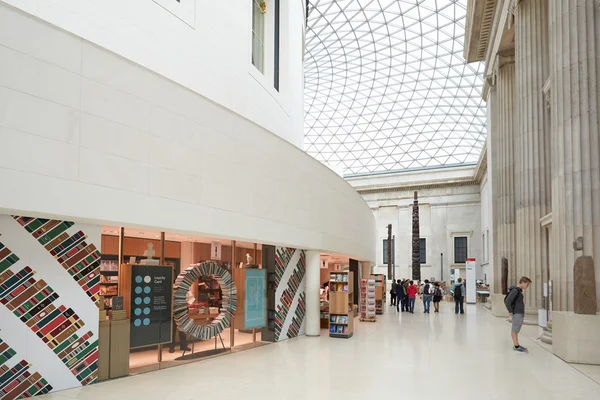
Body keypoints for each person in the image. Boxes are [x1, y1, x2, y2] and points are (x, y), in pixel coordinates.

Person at [505, 276, 532, 353]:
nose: (527, 286)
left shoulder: (517, 291)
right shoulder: (515, 291)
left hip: (518, 312)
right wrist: (510, 311)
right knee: (515, 329)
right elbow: (507, 301)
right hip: (517, 313)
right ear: (523, 282)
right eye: (527, 284)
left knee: (516, 329)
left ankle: (516, 345)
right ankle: (516, 346)